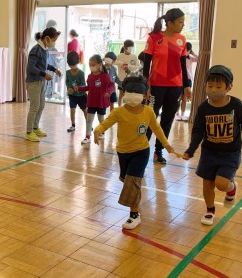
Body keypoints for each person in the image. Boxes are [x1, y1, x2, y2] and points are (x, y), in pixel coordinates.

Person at [93, 76, 176, 230]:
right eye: (130, 91)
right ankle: (135, 197)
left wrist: (166, 145)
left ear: (145, 95)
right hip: (123, 152)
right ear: (124, 93)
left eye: (138, 92)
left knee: (132, 182)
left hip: (141, 152)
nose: (133, 95)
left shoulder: (148, 112)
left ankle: (134, 215)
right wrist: (97, 130)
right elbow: (105, 124)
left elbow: (157, 129)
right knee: (127, 180)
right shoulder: (118, 112)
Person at [183, 65, 242, 226]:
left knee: (221, 184)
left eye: (218, 86)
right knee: (207, 184)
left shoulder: (235, 104)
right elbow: (198, 131)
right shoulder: (203, 108)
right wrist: (191, 150)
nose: (213, 89)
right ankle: (210, 211)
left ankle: (231, 187)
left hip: (230, 153)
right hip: (209, 153)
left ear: (229, 87)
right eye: (210, 86)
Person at [143, 8, 192, 164]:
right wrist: (146, 86)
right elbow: (146, 64)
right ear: (170, 23)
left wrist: (186, 86)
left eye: (183, 22)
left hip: (175, 87)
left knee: (167, 120)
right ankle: (142, 151)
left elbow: (183, 65)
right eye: (180, 22)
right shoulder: (154, 38)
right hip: (156, 86)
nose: (183, 25)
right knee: (150, 118)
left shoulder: (182, 40)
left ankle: (158, 151)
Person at [25, 27, 62, 142]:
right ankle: (29, 131)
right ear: (47, 38)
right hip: (33, 82)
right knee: (35, 106)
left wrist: (54, 69)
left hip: (41, 80)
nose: (54, 42)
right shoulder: (36, 50)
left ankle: (35, 128)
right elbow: (31, 67)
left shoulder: (44, 49)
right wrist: (44, 74)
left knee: (41, 105)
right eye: (53, 39)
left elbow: (43, 64)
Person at [75, 54, 114, 144]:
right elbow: (89, 87)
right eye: (90, 65)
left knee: (101, 119)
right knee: (89, 120)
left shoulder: (105, 76)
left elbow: (111, 85)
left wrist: (109, 92)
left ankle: (102, 132)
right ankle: (87, 136)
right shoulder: (90, 76)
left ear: (100, 64)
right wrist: (80, 88)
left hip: (101, 102)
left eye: (93, 64)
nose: (91, 67)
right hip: (91, 101)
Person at [65, 51, 87, 132]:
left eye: (74, 65)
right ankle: (73, 125)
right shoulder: (67, 73)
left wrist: (78, 88)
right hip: (72, 96)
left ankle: (88, 124)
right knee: (72, 109)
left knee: (85, 110)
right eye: (71, 65)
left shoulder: (81, 73)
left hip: (81, 96)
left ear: (77, 62)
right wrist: (68, 88)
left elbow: (83, 84)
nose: (72, 67)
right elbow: (67, 82)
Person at [115, 40, 141, 106]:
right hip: (121, 79)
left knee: (128, 94)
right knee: (121, 94)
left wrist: (128, 66)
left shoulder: (134, 56)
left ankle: (128, 108)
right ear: (124, 48)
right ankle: (119, 107)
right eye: (128, 47)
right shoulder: (120, 56)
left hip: (130, 79)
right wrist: (122, 64)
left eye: (131, 47)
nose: (130, 49)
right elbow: (114, 62)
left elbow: (137, 67)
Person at [177, 42, 198, 121]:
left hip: (188, 80)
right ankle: (177, 114)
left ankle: (183, 114)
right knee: (178, 98)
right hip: (179, 79)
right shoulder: (179, 57)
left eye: (188, 50)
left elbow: (199, 59)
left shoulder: (190, 58)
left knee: (184, 99)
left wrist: (192, 53)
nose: (186, 52)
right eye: (185, 50)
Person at [44, 20, 62, 99]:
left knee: (52, 78)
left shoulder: (52, 40)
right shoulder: (46, 40)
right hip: (48, 60)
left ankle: (50, 93)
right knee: (48, 76)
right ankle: (47, 93)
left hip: (52, 61)